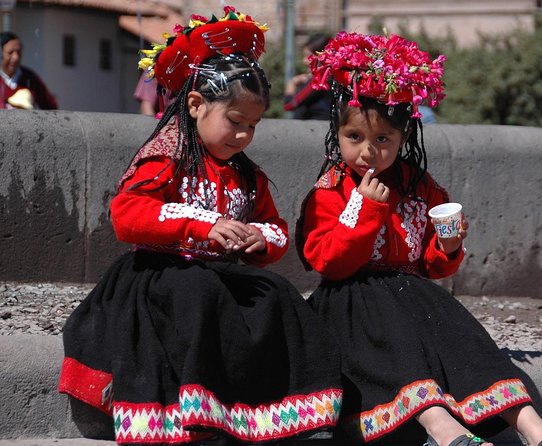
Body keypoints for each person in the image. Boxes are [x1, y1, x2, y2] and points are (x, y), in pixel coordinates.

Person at [58, 7, 342, 445]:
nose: (244, 135)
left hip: (223, 273)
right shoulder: (165, 157)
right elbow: (127, 214)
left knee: (278, 294)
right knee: (199, 293)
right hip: (162, 274)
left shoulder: (248, 175)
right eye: (234, 121)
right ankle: (198, 415)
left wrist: (257, 239)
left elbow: (276, 227)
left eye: (252, 126)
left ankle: (295, 412)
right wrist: (200, 226)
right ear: (195, 105)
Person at [296, 31, 542, 446]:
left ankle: (537, 430)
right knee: (399, 352)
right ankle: (443, 429)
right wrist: (367, 210)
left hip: (413, 294)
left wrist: (447, 247)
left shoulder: (420, 187)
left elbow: (428, 264)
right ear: (337, 132)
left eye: (382, 140)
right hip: (351, 301)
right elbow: (327, 261)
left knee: (465, 340)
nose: (368, 152)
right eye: (355, 138)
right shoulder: (330, 188)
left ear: (404, 138)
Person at [1, 31, 58, 110]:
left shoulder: (30, 79)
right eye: (10, 53)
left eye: (18, 52)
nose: (15, 57)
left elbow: (51, 106)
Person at [283, 33, 332, 120]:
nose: (304, 61)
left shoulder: (320, 81)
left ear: (321, 57)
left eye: (308, 57)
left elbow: (289, 105)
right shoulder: (331, 79)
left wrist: (292, 83)